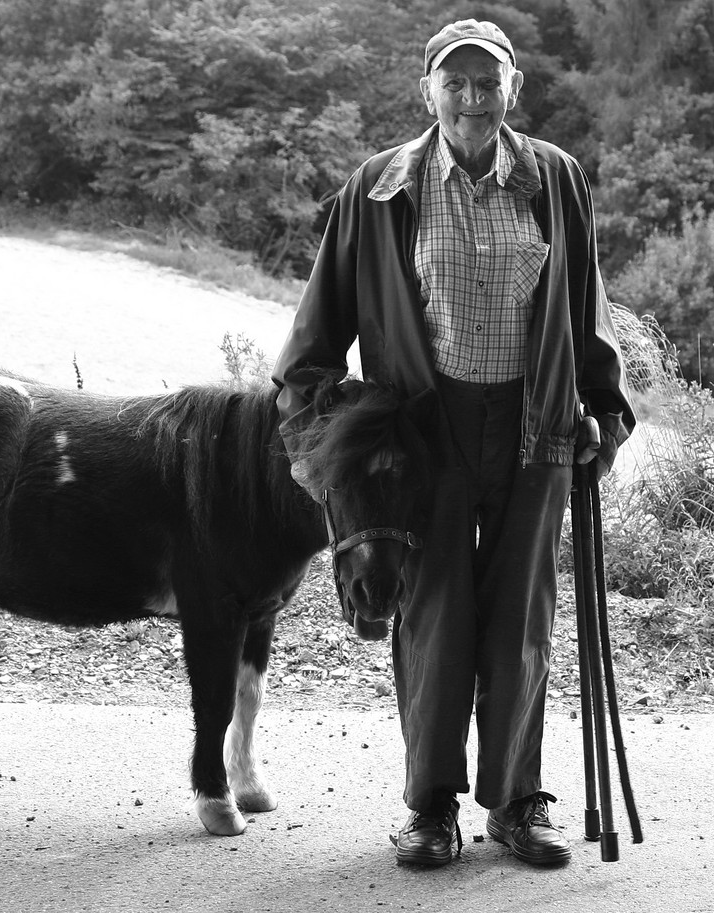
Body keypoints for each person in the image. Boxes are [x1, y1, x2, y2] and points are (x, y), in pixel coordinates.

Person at [272, 19, 635, 867]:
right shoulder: (377, 188)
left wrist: (602, 414)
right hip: (421, 437)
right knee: (432, 612)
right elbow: (313, 341)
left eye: (488, 83)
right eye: (456, 83)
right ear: (426, 91)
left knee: (520, 618)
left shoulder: (555, 177)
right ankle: (431, 805)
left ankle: (514, 800)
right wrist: (316, 438)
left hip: (534, 425)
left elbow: (586, 308)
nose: (472, 99)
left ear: (515, 90)